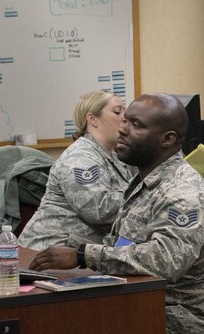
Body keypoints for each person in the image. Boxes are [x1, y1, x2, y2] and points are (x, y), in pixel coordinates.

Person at [28, 93, 204, 334]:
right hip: (136, 296)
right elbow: (121, 242)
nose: (123, 129)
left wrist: (84, 255)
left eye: (136, 125)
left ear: (168, 139)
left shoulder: (182, 192)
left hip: (176, 316)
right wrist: (73, 253)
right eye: (125, 120)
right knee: (47, 317)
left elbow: (165, 260)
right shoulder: (144, 179)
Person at [21, 89, 134, 251]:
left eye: (125, 110)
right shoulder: (80, 157)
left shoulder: (114, 156)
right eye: (117, 111)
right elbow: (98, 209)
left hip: (80, 251)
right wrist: (145, 200)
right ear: (92, 119)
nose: (125, 118)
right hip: (50, 250)